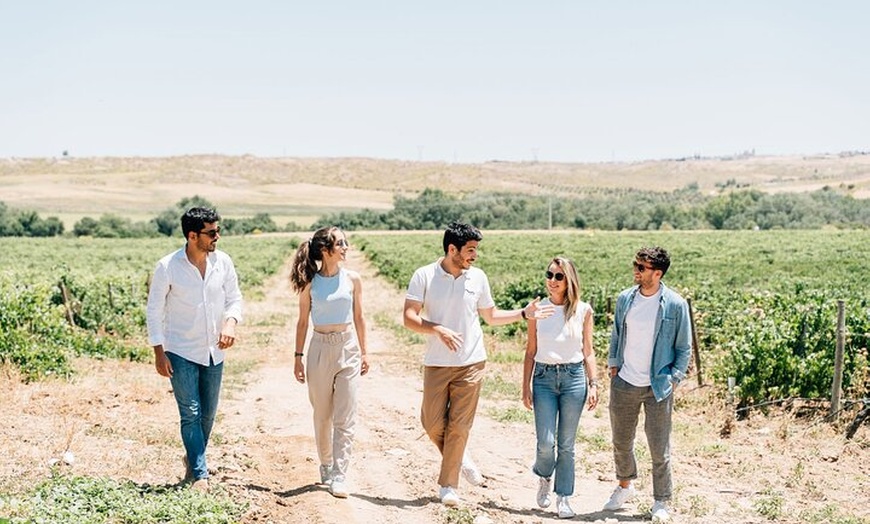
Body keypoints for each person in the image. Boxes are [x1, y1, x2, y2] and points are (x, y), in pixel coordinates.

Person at [403, 222, 552, 507]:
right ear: (452, 249)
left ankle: (448, 486)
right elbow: (409, 317)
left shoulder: (478, 277)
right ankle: (459, 457)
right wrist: (437, 329)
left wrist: (523, 313)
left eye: (475, 250)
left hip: (471, 361)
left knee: (459, 426)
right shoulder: (424, 275)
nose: (475, 255)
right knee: (431, 423)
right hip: (436, 362)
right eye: (470, 250)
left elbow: (491, 316)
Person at [146, 207, 243, 493]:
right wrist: (158, 352)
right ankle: (200, 475)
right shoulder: (168, 266)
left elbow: (235, 298)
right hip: (179, 350)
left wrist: (230, 323)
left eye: (217, 231)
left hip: (214, 351)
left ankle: (192, 459)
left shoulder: (223, 262)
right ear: (192, 236)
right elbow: (154, 310)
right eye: (211, 233)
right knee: (190, 412)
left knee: (208, 415)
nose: (217, 237)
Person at [603, 247, 691, 523]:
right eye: (636, 265)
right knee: (621, 441)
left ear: (657, 273)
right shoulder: (625, 299)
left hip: (658, 386)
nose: (636, 270)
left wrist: (674, 378)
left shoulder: (675, 304)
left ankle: (661, 500)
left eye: (642, 267)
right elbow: (617, 334)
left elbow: (684, 347)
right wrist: (614, 365)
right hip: (625, 382)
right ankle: (624, 486)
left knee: (659, 447)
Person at [290, 226, 369, 499]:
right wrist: (298, 358)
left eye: (345, 243)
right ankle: (325, 462)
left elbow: (359, 317)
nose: (346, 247)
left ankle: (339, 474)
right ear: (325, 250)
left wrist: (365, 352)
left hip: (348, 347)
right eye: (340, 243)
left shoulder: (353, 279)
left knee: (346, 416)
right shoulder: (310, 283)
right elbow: (302, 322)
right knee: (322, 415)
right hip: (319, 349)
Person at [522, 256, 599, 519]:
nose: (552, 281)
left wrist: (594, 383)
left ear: (569, 280)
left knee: (566, 444)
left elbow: (588, 351)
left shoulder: (583, 310)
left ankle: (564, 496)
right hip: (543, 378)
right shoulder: (537, 310)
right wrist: (525, 386)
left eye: (558, 276)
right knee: (546, 442)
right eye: (549, 275)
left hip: (573, 379)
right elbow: (530, 351)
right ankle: (544, 475)